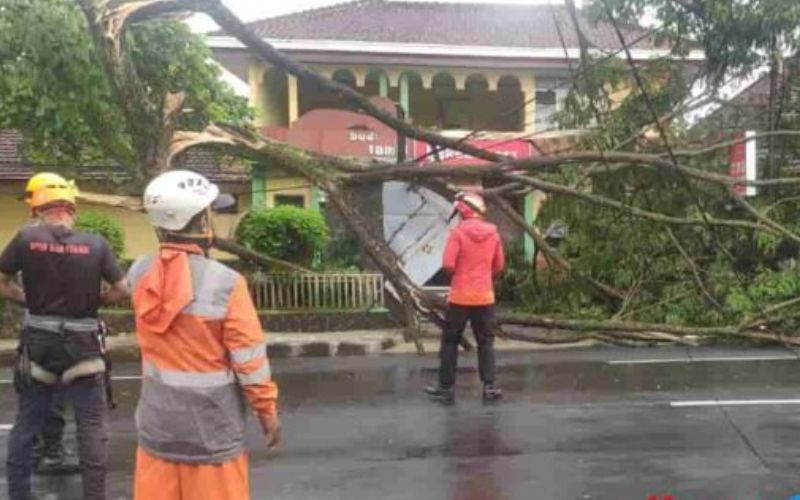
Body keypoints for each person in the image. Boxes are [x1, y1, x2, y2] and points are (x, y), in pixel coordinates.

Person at [129, 170, 280, 500]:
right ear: (200, 222)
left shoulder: (139, 273)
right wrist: (266, 412)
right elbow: (250, 362)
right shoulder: (226, 283)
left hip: (158, 431)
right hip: (212, 436)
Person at [0, 172, 129, 500]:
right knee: (91, 427)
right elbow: (121, 289)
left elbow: (1, 281)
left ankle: (17, 495)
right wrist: (92, 303)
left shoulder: (26, 239)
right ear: (71, 209)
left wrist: (27, 299)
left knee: (27, 424)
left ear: (38, 210)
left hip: (38, 344)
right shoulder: (96, 243)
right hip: (83, 346)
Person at [425, 191, 505, 404]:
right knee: (486, 342)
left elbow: (448, 264)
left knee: (450, 341)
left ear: (463, 212)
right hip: (485, 297)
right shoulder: (494, 233)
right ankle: (489, 387)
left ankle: (445, 387)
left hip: (460, 296)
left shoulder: (458, 233)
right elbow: (499, 266)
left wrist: (460, 276)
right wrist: (485, 278)